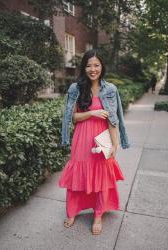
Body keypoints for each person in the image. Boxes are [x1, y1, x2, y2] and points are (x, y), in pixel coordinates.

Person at [58, 49, 130, 235]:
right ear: (84, 67)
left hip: (102, 140)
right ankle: (72, 211)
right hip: (82, 139)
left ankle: (98, 215)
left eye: (96, 65)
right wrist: (91, 113)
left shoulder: (110, 90)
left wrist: (115, 145)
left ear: (102, 67)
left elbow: (112, 120)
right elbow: (73, 118)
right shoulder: (76, 88)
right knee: (77, 178)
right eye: (89, 65)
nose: (92, 69)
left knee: (102, 178)